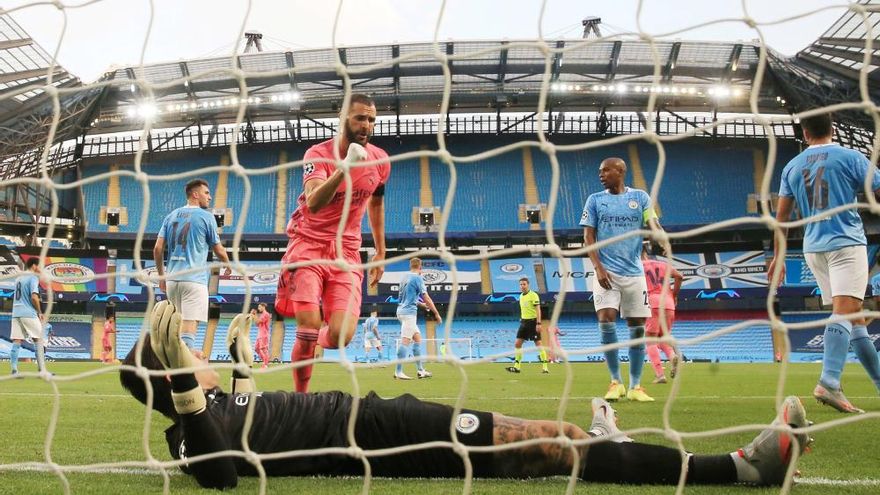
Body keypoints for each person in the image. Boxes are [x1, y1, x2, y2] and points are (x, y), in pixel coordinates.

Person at [118, 299, 812, 490]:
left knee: (556, 438)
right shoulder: (189, 433)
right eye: (185, 359)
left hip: (382, 417)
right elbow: (218, 474)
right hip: (385, 439)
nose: (199, 362)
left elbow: (236, 408)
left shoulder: (210, 410)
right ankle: (741, 469)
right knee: (556, 443)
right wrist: (185, 379)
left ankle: (631, 451)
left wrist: (239, 359)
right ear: (171, 383)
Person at [275, 93, 390, 392]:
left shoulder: (380, 160)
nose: (367, 125)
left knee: (341, 337)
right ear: (344, 119)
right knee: (307, 327)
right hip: (308, 245)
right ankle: (301, 399)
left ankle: (326, 329)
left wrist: (380, 249)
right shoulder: (318, 154)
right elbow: (313, 202)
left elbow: (376, 203)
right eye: (360, 118)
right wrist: (346, 167)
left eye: (372, 120)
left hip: (347, 252)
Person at [769, 112, 880, 414]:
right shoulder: (850, 156)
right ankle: (829, 380)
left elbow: (781, 219)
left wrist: (778, 257)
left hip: (813, 247)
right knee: (844, 313)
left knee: (854, 318)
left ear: (805, 134)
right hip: (846, 243)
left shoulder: (791, 167)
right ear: (832, 129)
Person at [581, 157, 664, 402]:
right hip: (606, 272)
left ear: (620, 171)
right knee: (605, 318)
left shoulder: (640, 198)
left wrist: (661, 237)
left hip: (634, 272)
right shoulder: (595, 200)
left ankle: (636, 386)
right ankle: (615, 381)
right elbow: (588, 236)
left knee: (636, 326)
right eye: (600, 170)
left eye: (606, 170)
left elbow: (653, 222)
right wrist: (598, 268)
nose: (601, 174)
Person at [153, 178, 230, 351]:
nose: (209, 197)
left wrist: (161, 276)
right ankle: (185, 370)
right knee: (189, 324)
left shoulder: (171, 215)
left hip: (172, 281)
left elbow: (157, 249)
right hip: (194, 280)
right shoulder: (206, 217)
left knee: (176, 325)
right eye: (206, 193)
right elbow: (218, 249)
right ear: (195, 195)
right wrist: (229, 263)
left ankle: (173, 366)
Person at [642, 246, 683, 384]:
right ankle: (672, 356)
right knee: (662, 337)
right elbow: (679, 276)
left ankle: (660, 375)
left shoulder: (638, 266)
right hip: (669, 303)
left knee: (650, 340)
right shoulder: (663, 264)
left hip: (653, 302)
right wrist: (675, 295)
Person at [395, 257, 441, 380]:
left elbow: (406, 297)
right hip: (409, 313)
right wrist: (436, 313)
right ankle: (398, 372)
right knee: (405, 341)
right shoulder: (418, 278)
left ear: (411, 266)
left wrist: (420, 305)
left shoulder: (404, 277)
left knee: (417, 339)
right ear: (420, 267)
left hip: (401, 311)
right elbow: (426, 297)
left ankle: (421, 370)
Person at [9, 257, 46, 375]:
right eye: (39, 266)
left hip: (16, 312)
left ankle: (14, 369)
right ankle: (42, 370)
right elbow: (34, 297)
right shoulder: (33, 277)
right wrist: (40, 312)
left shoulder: (19, 278)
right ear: (34, 266)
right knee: (38, 339)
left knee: (17, 341)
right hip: (28, 313)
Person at [506, 277, 549, 374]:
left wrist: (538, 323)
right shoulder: (521, 296)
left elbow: (538, 310)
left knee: (538, 344)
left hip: (533, 322)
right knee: (517, 344)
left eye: (524, 284)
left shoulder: (533, 295)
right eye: (521, 284)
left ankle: (545, 367)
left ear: (528, 284)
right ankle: (517, 367)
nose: (522, 286)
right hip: (524, 322)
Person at [252, 303, 272, 369]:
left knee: (263, 349)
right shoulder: (262, 315)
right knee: (256, 349)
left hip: (264, 334)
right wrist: (255, 316)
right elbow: (257, 324)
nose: (258, 308)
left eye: (259, 307)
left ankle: (265, 364)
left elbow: (258, 321)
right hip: (260, 334)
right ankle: (265, 362)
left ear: (263, 307)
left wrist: (255, 315)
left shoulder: (266, 314)